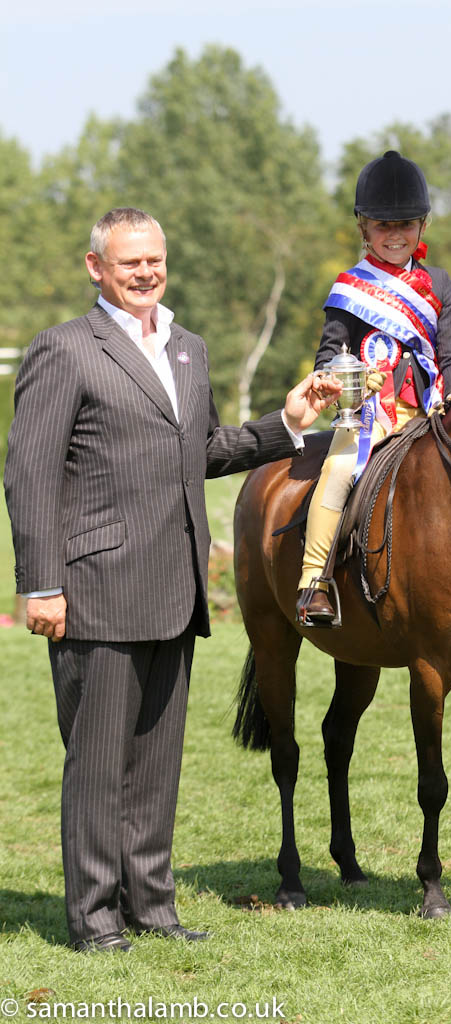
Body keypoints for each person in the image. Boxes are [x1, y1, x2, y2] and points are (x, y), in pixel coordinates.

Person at [3, 207, 341, 953]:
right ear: (96, 267)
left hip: (174, 587)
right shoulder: (63, 350)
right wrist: (40, 583)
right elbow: (27, 474)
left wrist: (285, 424)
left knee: (155, 768)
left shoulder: (187, 349)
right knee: (97, 767)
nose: (145, 272)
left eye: (154, 259)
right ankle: (93, 921)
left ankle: (151, 908)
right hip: (94, 587)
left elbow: (206, 451)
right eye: (129, 263)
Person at [295, 151, 451, 625]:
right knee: (336, 472)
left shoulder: (438, 283)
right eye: (382, 226)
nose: (395, 236)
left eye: (406, 225)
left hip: (432, 413)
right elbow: (326, 359)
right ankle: (315, 580)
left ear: (422, 226)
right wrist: (353, 380)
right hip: (371, 418)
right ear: (363, 229)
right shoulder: (350, 286)